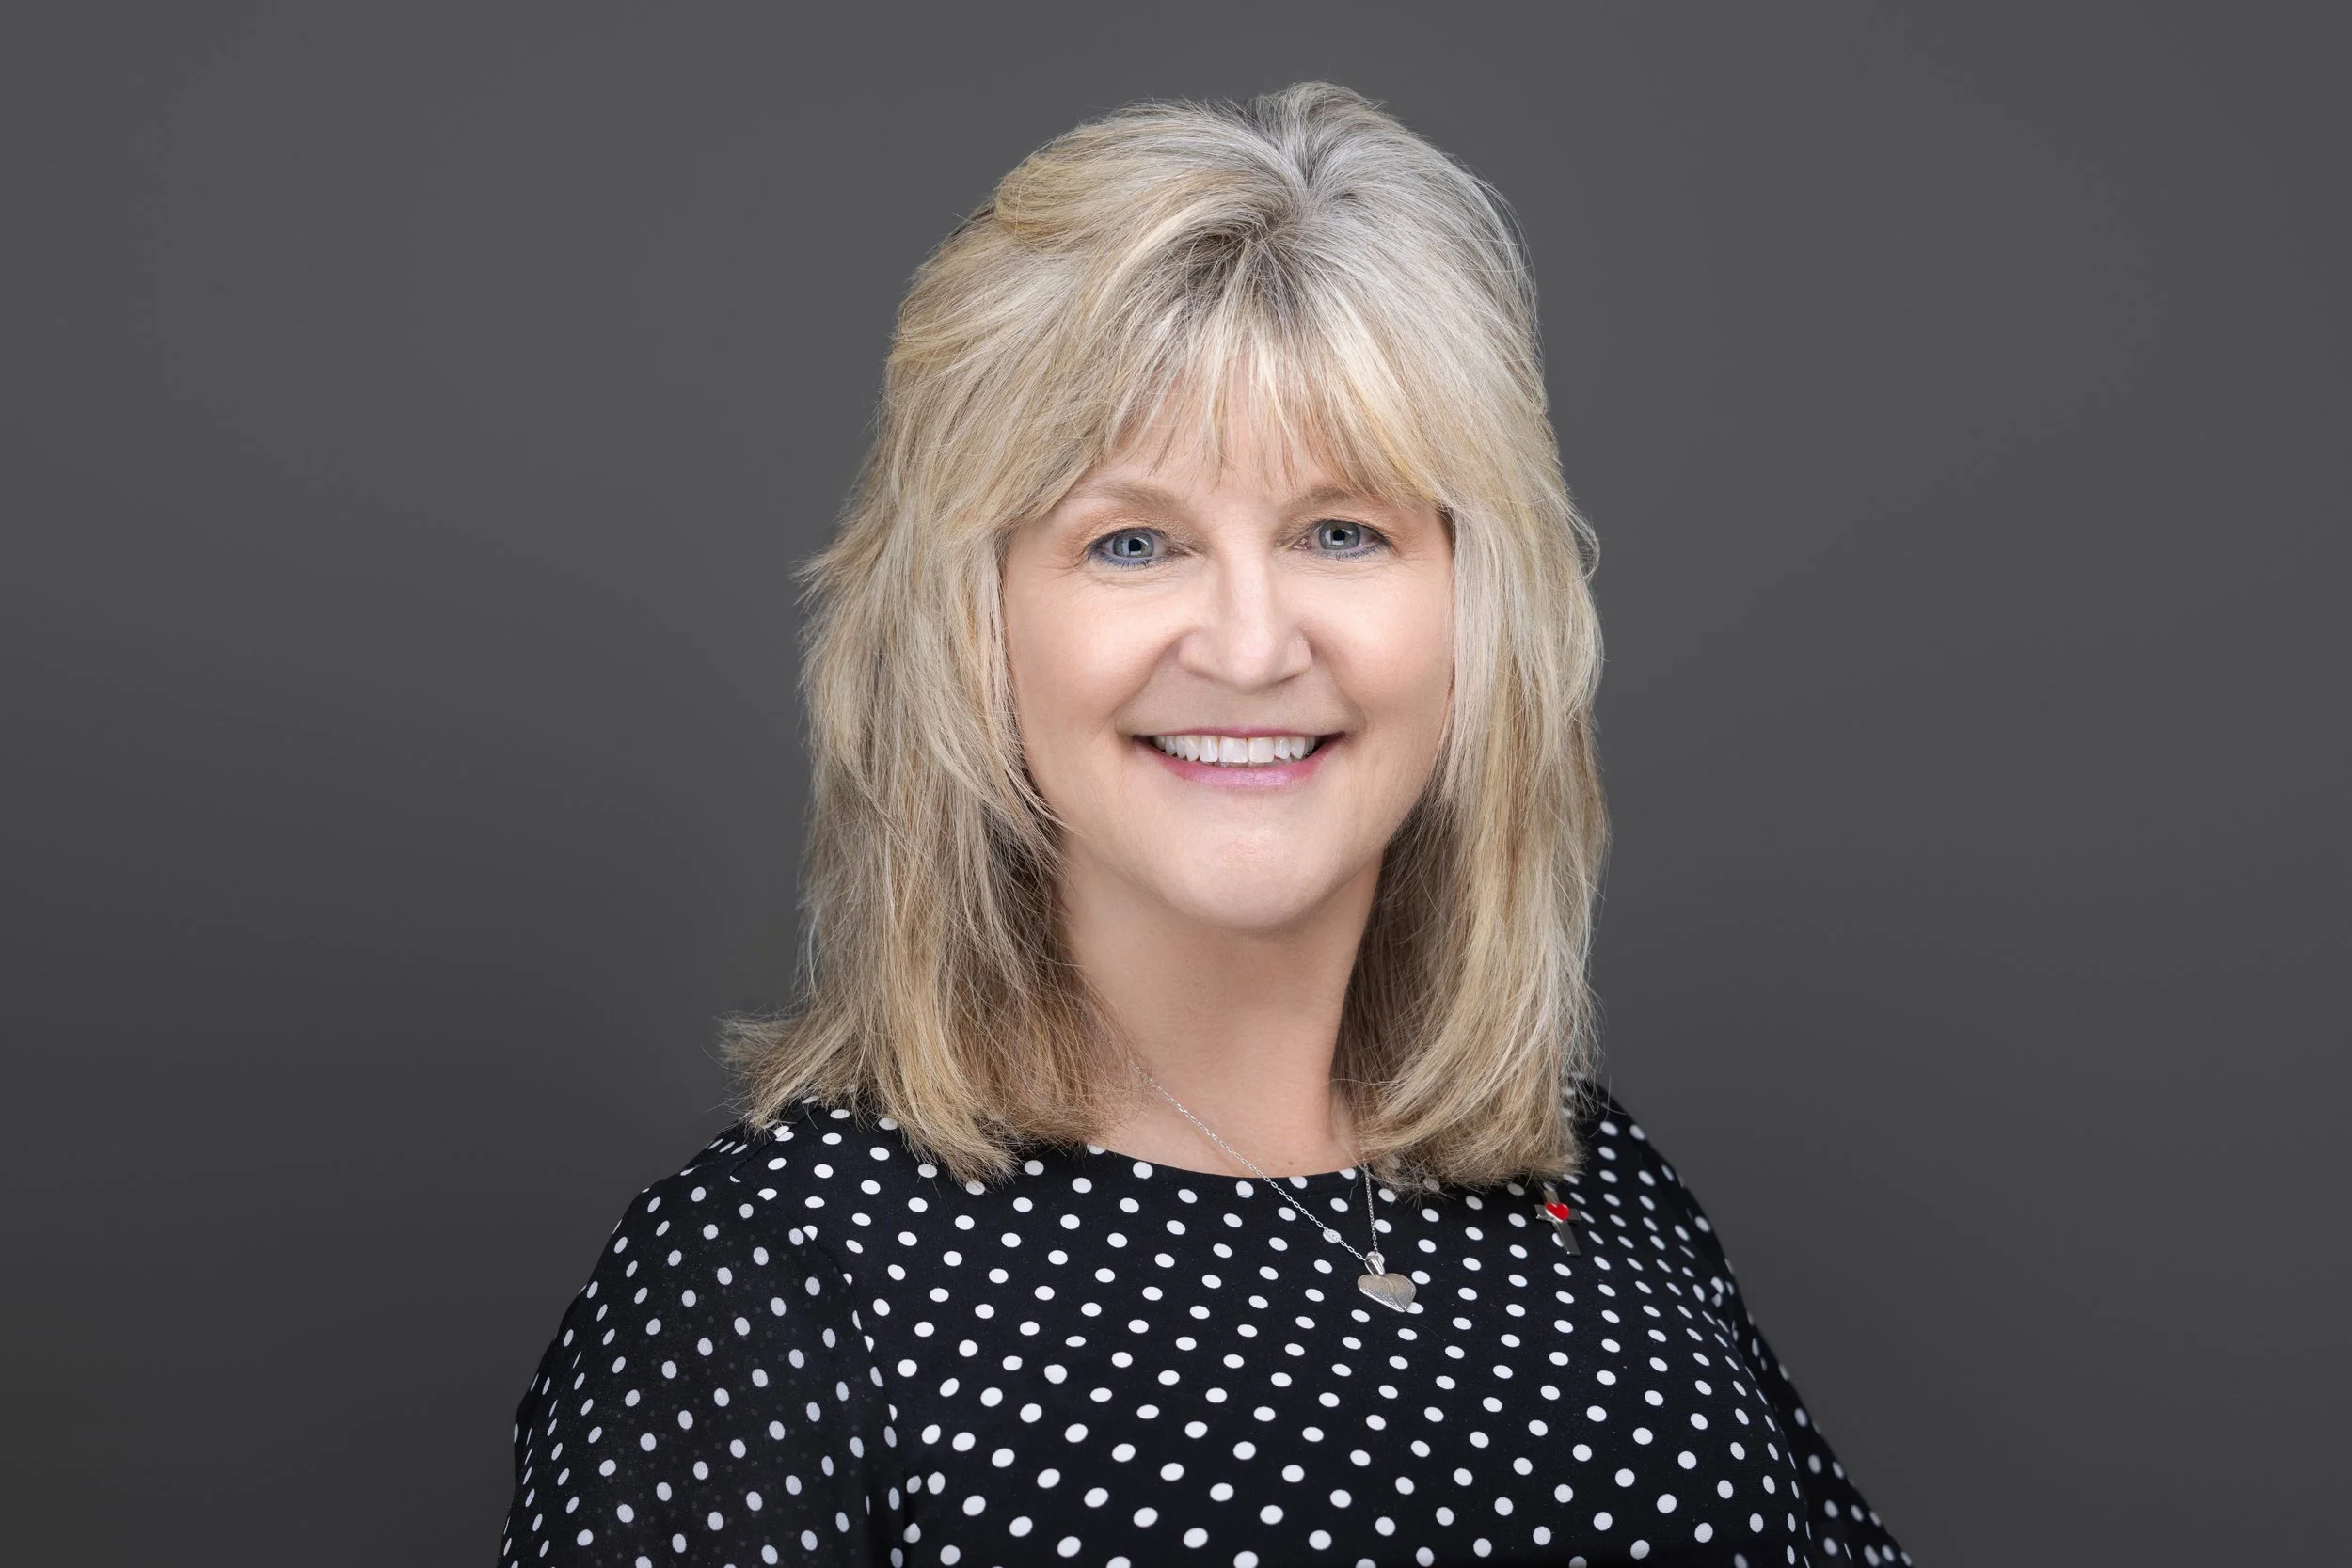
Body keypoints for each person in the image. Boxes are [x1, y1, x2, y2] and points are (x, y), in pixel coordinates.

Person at [498, 82, 1907, 1568]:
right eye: (1133, 542)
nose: (1249, 642)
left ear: (1478, 613)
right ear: (974, 633)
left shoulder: (1595, 1185)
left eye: (1342, 530)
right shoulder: (771, 1282)